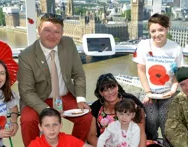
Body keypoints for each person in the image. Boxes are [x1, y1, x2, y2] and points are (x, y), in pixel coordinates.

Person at [18, 13, 92, 146]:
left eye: (57, 32)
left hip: (64, 95)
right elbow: (26, 92)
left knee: (86, 117)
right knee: (28, 120)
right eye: (47, 30)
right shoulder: (26, 56)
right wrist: (48, 110)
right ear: (39, 29)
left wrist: (80, 99)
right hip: (38, 98)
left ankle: (73, 144)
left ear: (62, 33)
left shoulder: (68, 44)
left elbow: (79, 74)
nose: (52, 35)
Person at [132, 13, 184, 145]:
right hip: (149, 92)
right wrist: (148, 92)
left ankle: (167, 144)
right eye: (153, 31)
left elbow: (178, 72)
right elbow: (141, 70)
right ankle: (152, 142)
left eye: (160, 30)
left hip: (168, 93)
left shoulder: (175, 48)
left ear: (167, 29)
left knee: (165, 121)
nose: (157, 34)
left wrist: (173, 89)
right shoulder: (144, 45)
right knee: (151, 120)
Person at [87, 73, 146, 147]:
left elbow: (141, 132)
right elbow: (91, 136)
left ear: (117, 86)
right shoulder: (96, 107)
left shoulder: (131, 101)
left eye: (112, 87)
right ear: (100, 93)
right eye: (105, 90)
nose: (110, 92)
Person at [28, 108, 93, 147]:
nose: (52, 129)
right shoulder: (35, 145)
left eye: (55, 125)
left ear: (60, 125)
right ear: (40, 127)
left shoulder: (69, 140)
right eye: (47, 126)